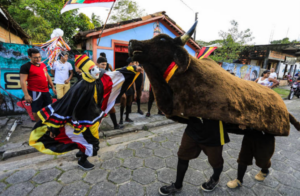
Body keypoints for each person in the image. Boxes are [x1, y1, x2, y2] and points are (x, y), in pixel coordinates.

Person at [29, 54, 143, 170]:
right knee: (93, 142)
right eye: (92, 69)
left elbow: (117, 73)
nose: (96, 71)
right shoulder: (79, 87)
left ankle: (81, 151)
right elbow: (64, 106)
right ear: (85, 71)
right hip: (80, 120)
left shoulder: (100, 76)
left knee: (85, 139)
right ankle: (82, 160)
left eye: (96, 68)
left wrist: (134, 69)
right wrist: (54, 128)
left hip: (93, 117)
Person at [159, 117, 230, 195]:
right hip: (193, 128)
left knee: (216, 161)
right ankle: (177, 185)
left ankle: (215, 178)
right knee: (182, 156)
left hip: (214, 132)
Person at [20, 48, 57, 122]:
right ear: (29, 57)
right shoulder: (25, 67)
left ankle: (47, 124)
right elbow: (22, 81)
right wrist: (26, 95)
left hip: (46, 91)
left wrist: (52, 87)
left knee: (48, 108)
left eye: (39, 57)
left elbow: (47, 75)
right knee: (36, 109)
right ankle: (38, 125)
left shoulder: (42, 64)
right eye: (35, 57)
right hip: (35, 92)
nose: (38, 59)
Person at [97, 56, 123, 129]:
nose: (104, 66)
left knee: (111, 109)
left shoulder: (107, 73)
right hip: (97, 96)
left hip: (105, 95)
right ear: (98, 64)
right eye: (102, 64)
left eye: (105, 64)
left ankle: (115, 125)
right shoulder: (95, 72)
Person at [119, 57, 137, 124]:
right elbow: (120, 81)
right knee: (122, 104)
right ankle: (121, 119)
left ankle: (127, 117)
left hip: (130, 90)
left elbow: (133, 81)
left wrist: (135, 91)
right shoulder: (124, 69)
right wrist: (122, 92)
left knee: (129, 104)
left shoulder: (133, 71)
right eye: (134, 63)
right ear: (130, 63)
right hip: (124, 90)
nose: (135, 64)